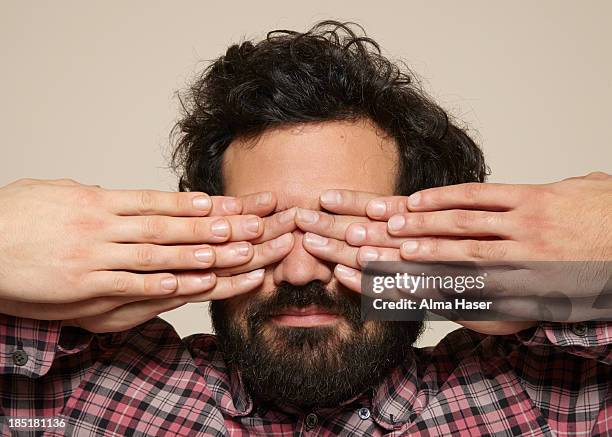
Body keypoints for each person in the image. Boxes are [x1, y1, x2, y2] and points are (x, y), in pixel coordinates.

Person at [0, 21, 610, 436]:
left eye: (347, 232)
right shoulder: (77, 397)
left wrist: (598, 254)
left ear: (432, 237)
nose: (298, 272)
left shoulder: (549, 401)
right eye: (262, 229)